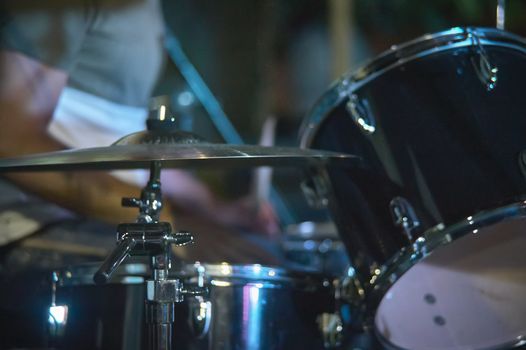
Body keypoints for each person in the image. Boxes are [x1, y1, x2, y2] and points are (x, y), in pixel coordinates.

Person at [0, 0, 279, 271]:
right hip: (32, 220)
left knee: (267, 256)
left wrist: (209, 205)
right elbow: (10, 141)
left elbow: (114, 139)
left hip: (102, 214)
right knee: (202, 277)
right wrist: (167, 222)